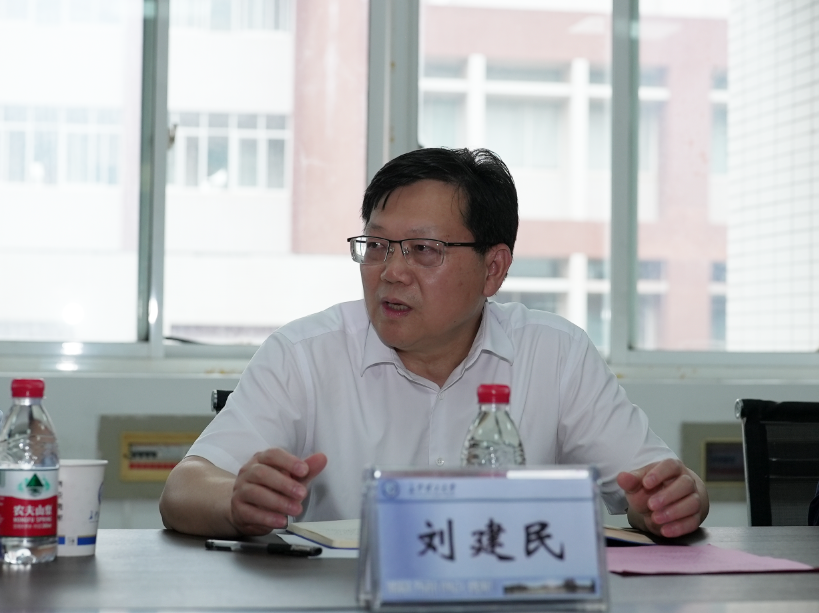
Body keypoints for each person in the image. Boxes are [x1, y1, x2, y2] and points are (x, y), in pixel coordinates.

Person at [159, 147, 709, 540]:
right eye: (377, 246)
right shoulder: (304, 354)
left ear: (493, 268)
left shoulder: (556, 355)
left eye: (423, 250)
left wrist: (668, 502)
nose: (390, 272)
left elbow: (660, 487)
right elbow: (183, 489)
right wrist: (236, 501)